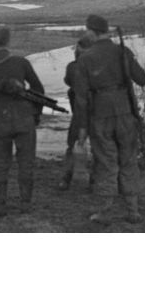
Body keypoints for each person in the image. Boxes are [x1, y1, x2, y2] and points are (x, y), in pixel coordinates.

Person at [75, 14, 145, 225]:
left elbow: (81, 98)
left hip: (101, 115)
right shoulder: (122, 52)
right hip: (125, 112)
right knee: (128, 160)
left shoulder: (86, 58)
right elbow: (142, 79)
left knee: (106, 162)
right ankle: (133, 210)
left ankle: (105, 212)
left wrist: (82, 128)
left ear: (90, 31)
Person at [0, 27, 44, 216]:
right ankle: (26, 203)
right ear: (8, 42)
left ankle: (0, 204)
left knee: (0, 163)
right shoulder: (21, 62)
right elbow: (38, 89)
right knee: (26, 162)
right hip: (24, 118)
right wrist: (35, 114)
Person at [58, 35, 94, 191]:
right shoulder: (99, 66)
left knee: (72, 146)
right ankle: (95, 180)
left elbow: (68, 81)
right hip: (98, 112)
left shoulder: (73, 67)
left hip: (80, 113)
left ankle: (66, 178)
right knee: (100, 148)